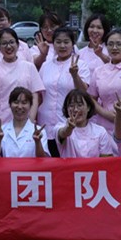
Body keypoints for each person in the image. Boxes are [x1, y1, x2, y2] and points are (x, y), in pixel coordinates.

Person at [0, 27, 43, 129]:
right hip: (0, 119)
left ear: (18, 44)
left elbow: (35, 95)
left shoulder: (29, 66)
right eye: (4, 43)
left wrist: (30, 120)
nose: (8, 46)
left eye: (12, 42)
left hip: (24, 118)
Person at [37, 26, 89, 155]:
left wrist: (75, 75)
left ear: (73, 44)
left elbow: (83, 92)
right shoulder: (46, 66)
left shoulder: (81, 65)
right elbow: (39, 95)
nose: (62, 46)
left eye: (66, 42)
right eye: (58, 42)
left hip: (68, 123)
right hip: (45, 122)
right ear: (53, 44)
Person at [0, 87, 47, 158]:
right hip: (7, 165)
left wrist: (38, 142)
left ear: (30, 106)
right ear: (10, 105)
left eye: (24, 103)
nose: (19, 107)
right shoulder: (1, 130)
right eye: (16, 102)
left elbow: (43, 159)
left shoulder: (39, 131)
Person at [56, 89, 115, 157]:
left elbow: (106, 159)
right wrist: (69, 128)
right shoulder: (60, 127)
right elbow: (63, 133)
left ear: (88, 107)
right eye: (71, 106)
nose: (76, 109)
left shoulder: (100, 131)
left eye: (80, 105)